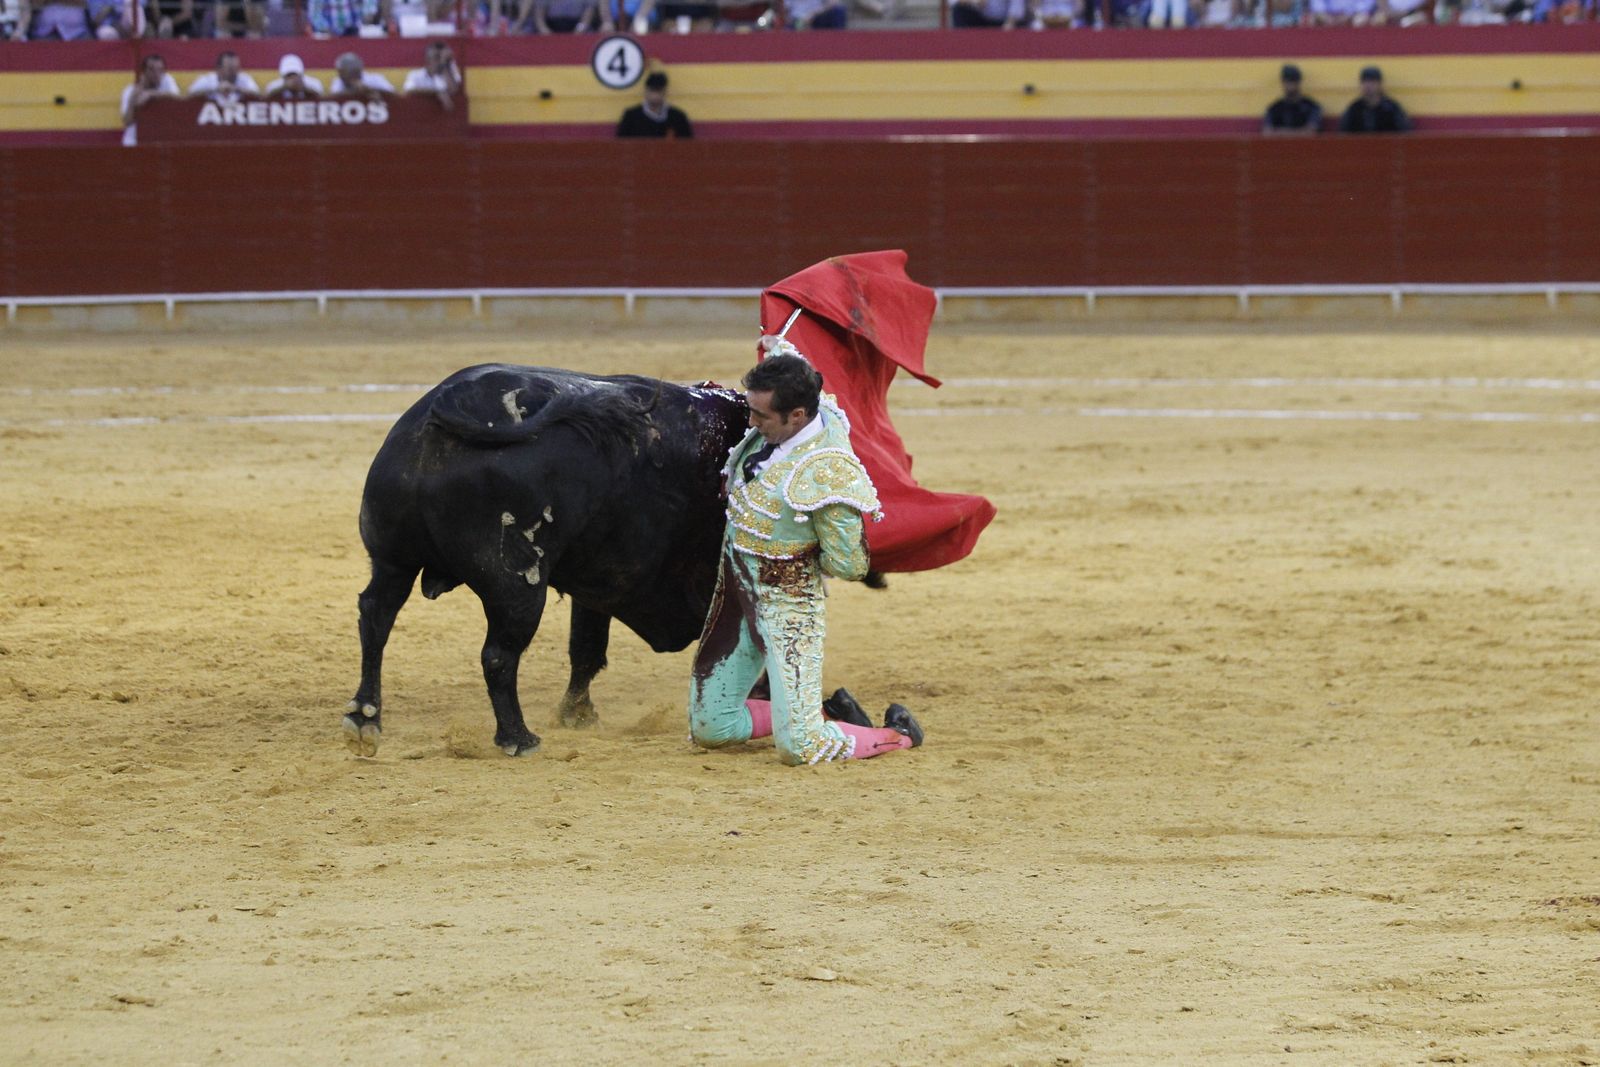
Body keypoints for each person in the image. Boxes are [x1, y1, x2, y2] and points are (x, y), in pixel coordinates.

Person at [688, 341, 925, 767]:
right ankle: (822, 714)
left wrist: (797, 551)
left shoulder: (825, 470)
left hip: (788, 608)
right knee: (712, 729)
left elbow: (848, 563)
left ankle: (899, 735)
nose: (751, 422)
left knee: (800, 748)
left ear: (797, 415)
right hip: (737, 595)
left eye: (761, 415)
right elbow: (795, 358)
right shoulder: (794, 414)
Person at [120, 52, 179, 147]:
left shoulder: (167, 80)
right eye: (152, 70)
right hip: (135, 140)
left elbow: (178, 99)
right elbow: (127, 121)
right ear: (143, 72)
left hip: (161, 138)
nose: (156, 74)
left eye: (160, 70)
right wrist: (133, 99)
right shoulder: (130, 90)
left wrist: (151, 94)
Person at [616, 71, 693, 139]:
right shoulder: (631, 117)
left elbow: (688, 147)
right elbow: (620, 146)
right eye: (652, 90)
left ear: (665, 92)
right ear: (645, 91)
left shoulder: (678, 117)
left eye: (658, 90)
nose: (655, 95)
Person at [1339, 65, 1412, 133]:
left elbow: (1405, 133)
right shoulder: (1354, 108)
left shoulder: (1391, 109)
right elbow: (1342, 135)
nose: (1368, 86)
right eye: (1365, 82)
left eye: (1372, 82)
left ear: (1380, 84)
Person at [1263, 63, 1323, 136]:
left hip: (1305, 147)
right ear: (1282, 83)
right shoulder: (1274, 108)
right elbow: (1267, 134)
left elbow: (1311, 132)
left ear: (1299, 82)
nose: (1290, 85)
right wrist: (1300, 131)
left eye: (1293, 81)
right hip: (1280, 147)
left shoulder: (1312, 107)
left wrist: (1280, 132)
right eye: (1287, 81)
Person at [403, 40, 463, 109]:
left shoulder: (448, 73)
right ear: (427, 60)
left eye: (443, 59)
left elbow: (454, 91)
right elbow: (409, 91)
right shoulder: (415, 75)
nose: (440, 61)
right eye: (437, 57)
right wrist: (437, 92)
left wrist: (445, 66)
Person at [187, 50, 261, 103]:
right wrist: (215, 89)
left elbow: (259, 97)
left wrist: (236, 89)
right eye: (230, 68)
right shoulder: (207, 79)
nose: (234, 72)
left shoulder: (245, 79)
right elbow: (189, 96)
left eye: (236, 68)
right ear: (219, 69)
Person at [330, 52, 395, 99]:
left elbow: (394, 95)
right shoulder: (338, 81)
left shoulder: (375, 78)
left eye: (344, 71)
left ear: (358, 70)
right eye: (340, 71)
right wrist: (359, 91)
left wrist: (370, 90)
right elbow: (335, 98)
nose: (341, 74)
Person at [306, 0, 380, 35]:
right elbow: (315, 15)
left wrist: (362, 20)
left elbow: (369, 8)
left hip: (356, 31)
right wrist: (325, 28)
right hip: (327, 34)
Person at [951, 0, 1022, 24]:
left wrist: (1010, 23)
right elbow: (954, 2)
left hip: (1003, 22)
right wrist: (974, 1)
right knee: (959, 11)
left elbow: (1017, 6)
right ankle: (962, 41)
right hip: (981, 20)